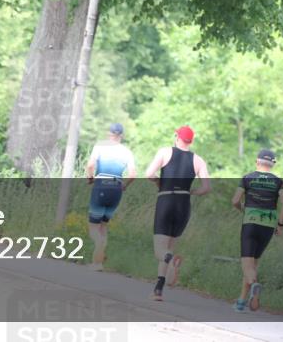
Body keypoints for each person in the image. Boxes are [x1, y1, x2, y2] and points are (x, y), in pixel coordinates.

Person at [144, 125, 211, 301]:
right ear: (191, 141)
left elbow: (149, 174)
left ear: (176, 136)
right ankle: (158, 290)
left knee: (161, 250)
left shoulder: (165, 152)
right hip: (183, 204)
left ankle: (170, 261)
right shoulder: (198, 160)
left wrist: (159, 182)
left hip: (166, 200)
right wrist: (192, 192)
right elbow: (206, 188)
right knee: (169, 247)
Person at [231, 148, 283, 312]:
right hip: (268, 225)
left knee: (246, 265)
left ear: (257, 161)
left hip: (250, 223)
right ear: (273, 164)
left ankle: (255, 285)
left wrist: (243, 209)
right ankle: (241, 301)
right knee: (254, 264)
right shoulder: (279, 182)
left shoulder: (247, 178)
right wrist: (280, 224)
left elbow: (235, 200)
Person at [84, 122, 137, 271]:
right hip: (117, 188)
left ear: (109, 134)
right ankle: (98, 263)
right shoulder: (127, 152)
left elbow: (90, 165)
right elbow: (133, 174)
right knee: (103, 225)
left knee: (93, 227)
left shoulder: (101, 146)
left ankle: (98, 255)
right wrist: (124, 186)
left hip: (101, 184)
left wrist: (90, 178)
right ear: (121, 136)